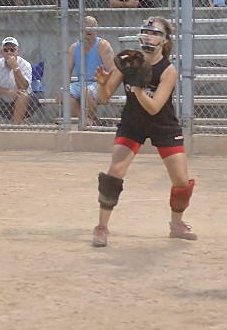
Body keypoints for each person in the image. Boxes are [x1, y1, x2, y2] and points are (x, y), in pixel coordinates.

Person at [90, 17, 196, 247]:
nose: (149, 36)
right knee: (115, 171)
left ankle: (176, 224)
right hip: (133, 123)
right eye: (146, 32)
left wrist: (138, 89)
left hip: (163, 124)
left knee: (181, 181)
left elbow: (154, 107)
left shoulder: (168, 70)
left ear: (164, 40)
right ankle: (102, 227)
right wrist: (102, 83)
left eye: (155, 33)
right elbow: (104, 97)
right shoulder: (129, 62)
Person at [66, 16, 115, 125]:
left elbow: (112, 70)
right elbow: (67, 72)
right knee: (65, 93)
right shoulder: (74, 48)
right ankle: (88, 120)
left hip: (99, 82)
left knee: (87, 92)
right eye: (84, 28)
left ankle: (91, 121)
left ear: (96, 30)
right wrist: (64, 87)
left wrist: (107, 88)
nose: (87, 30)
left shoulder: (102, 45)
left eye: (91, 28)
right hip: (80, 83)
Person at [0, 37, 33, 124]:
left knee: (23, 95)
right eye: (6, 50)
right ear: (2, 52)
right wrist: (9, 92)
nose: (9, 52)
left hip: (19, 101)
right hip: (1, 100)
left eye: (12, 49)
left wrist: (15, 68)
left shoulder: (25, 64)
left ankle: (15, 127)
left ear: (18, 51)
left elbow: (24, 87)